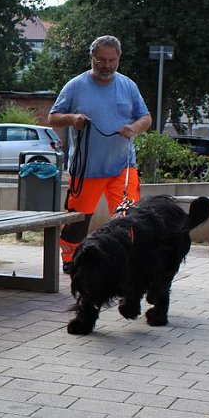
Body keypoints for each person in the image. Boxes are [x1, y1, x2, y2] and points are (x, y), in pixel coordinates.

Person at [47, 35, 152, 273]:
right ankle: (71, 258)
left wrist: (134, 128)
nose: (106, 65)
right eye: (101, 60)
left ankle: (130, 259)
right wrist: (73, 118)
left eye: (112, 60)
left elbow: (145, 118)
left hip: (123, 165)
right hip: (87, 168)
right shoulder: (75, 86)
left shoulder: (128, 86)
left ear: (119, 59)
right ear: (92, 57)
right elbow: (53, 117)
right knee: (78, 218)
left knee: (129, 217)